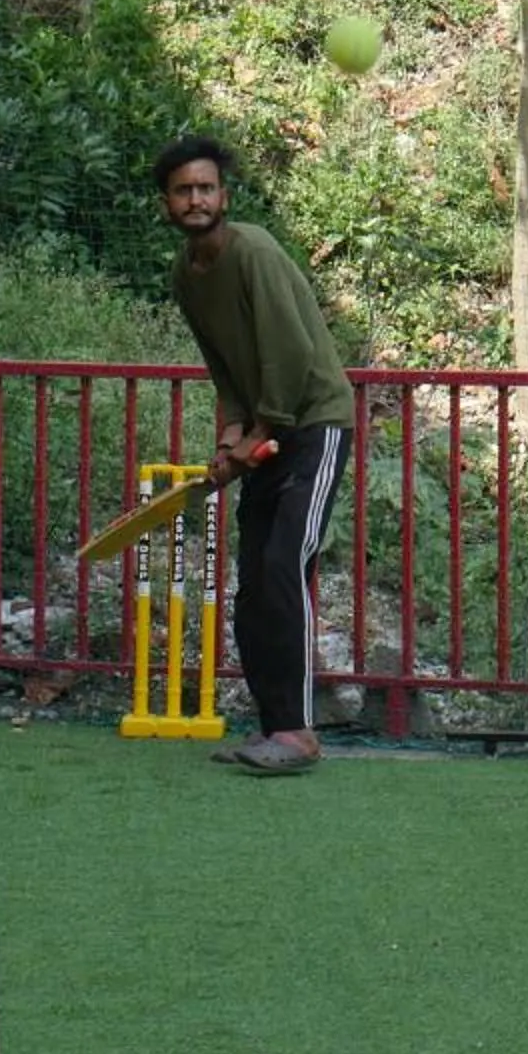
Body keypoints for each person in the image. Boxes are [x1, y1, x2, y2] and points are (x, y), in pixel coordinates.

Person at [152, 136, 354, 777]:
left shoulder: (255, 251)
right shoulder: (187, 274)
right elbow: (225, 368)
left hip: (314, 422)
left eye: (206, 188)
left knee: (282, 564)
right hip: (268, 429)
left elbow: (289, 355)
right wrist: (229, 438)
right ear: (167, 203)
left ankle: (298, 735)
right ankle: (273, 728)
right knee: (251, 585)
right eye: (184, 190)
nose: (196, 200)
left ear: (224, 197)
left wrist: (256, 437)